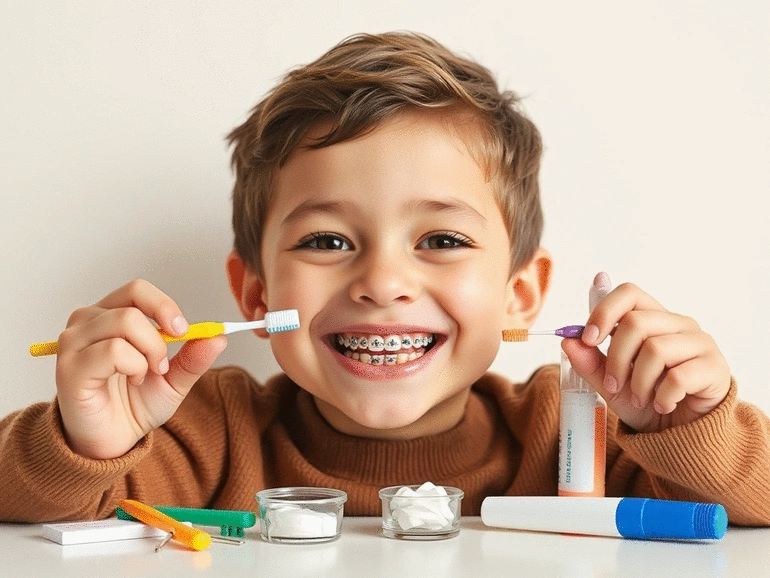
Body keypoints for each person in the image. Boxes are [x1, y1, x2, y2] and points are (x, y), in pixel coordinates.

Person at [1, 32, 769, 525]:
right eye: (329, 239)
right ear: (258, 296)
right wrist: (85, 439)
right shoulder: (205, 435)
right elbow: (23, 507)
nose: (383, 281)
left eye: (439, 237)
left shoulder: (571, 434)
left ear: (521, 294)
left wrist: (692, 429)